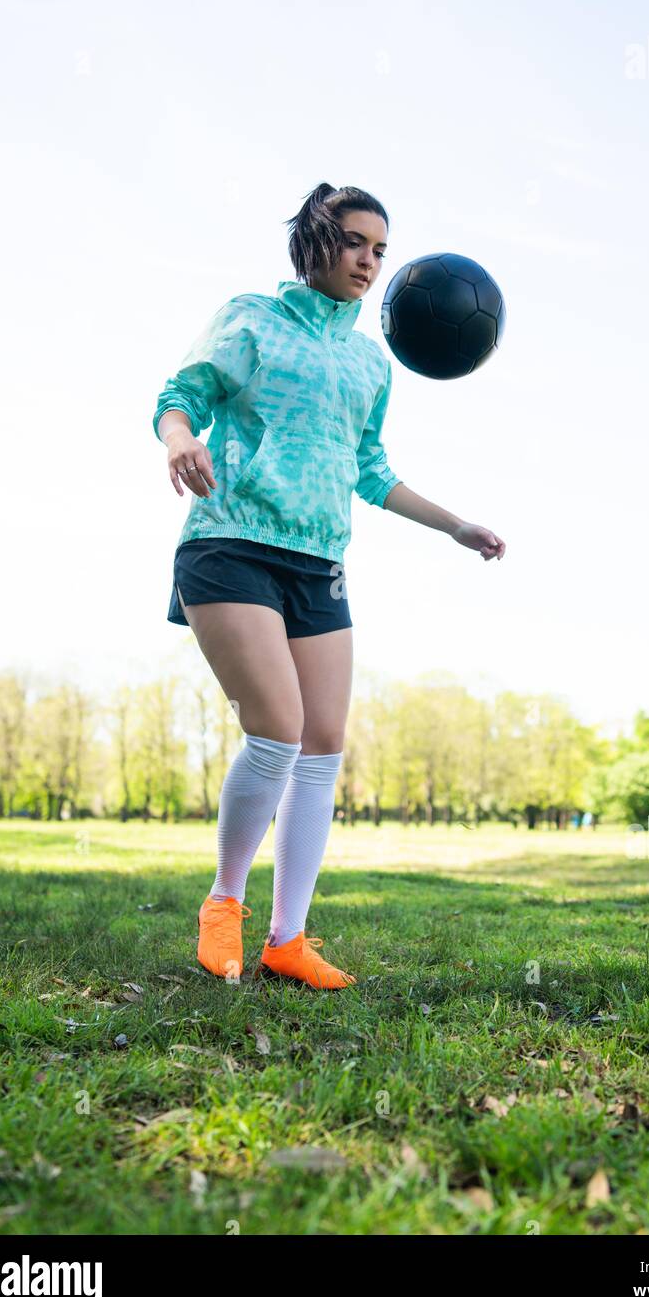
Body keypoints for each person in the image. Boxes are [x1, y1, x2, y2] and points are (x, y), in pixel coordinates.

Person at [152, 181, 507, 990]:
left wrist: (455, 525)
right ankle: (223, 905)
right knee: (276, 730)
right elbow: (182, 398)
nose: (369, 261)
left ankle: (288, 939)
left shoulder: (369, 362)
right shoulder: (250, 318)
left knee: (322, 747)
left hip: (319, 562)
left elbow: (370, 470)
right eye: (355, 242)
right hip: (230, 544)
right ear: (314, 242)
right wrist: (178, 439)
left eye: (380, 250)